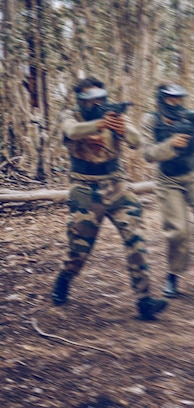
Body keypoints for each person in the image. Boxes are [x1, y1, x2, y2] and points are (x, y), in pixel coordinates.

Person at [50, 77, 168, 320]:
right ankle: (64, 279)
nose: (95, 104)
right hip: (84, 189)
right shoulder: (70, 116)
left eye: (99, 99)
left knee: (136, 240)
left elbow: (137, 143)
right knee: (79, 251)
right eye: (89, 100)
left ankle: (144, 300)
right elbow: (72, 132)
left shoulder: (114, 118)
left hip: (117, 186)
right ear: (81, 101)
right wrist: (99, 124)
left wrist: (121, 127)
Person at [141, 83, 194, 298]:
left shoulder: (191, 119)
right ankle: (173, 275)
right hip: (168, 180)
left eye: (179, 99)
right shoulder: (150, 120)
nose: (175, 103)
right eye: (171, 99)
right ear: (161, 99)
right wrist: (172, 144)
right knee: (178, 231)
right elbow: (148, 154)